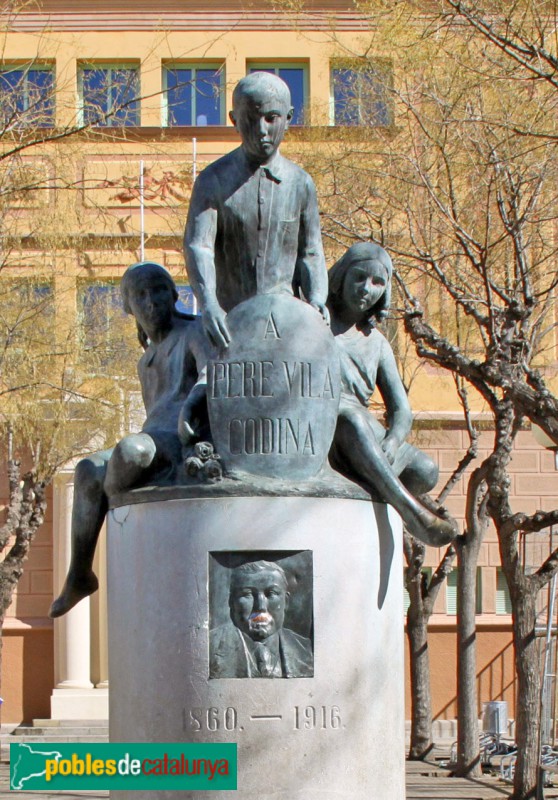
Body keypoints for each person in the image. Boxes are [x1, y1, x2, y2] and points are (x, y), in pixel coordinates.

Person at [49, 262, 209, 618]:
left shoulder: (194, 332)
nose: (150, 301)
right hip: (155, 438)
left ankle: (124, 521)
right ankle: (80, 573)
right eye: (140, 295)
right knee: (88, 468)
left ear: (173, 295)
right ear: (127, 307)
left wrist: (194, 404)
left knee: (130, 450)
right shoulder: (145, 360)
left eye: (157, 290)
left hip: (180, 441)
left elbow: (213, 371)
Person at [184, 71, 329, 350]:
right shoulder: (213, 180)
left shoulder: (301, 183)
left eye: (271, 118)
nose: (262, 130)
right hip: (230, 325)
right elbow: (199, 246)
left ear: (288, 118)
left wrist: (317, 300)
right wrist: (209, 303)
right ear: (234, 120)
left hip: (287, 327)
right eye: (251, 118)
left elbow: (310, 251)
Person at [327, 242, 457, 547]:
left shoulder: (378, 344)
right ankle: (412, 513)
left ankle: (372, 478)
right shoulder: (315, 322)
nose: (366, 289)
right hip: (329, 423)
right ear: (341, 277)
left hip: (368, 432)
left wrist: (393, 440)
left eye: (377, 282)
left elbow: (401, 410)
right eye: (359, 277)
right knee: (352, 420)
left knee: (426, 470)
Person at [209, 560, 313, 678]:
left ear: (286, 601)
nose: (261, 607)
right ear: (232, 601)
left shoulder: (305, 651)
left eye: (271, 594)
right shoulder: (209, 648)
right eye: (247, 594)